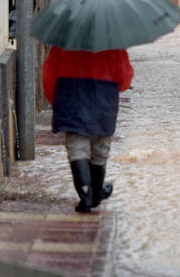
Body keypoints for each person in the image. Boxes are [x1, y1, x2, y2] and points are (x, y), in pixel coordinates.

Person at [42, 47, 134, 213]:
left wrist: (57, 102)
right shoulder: (112, 43)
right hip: (104, 96)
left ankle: (85, 196)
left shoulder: (64, 42)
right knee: (100, 149)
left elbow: (49, 74)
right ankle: (96, 194)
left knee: (77, 147)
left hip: (71, 94)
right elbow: (124, 76)